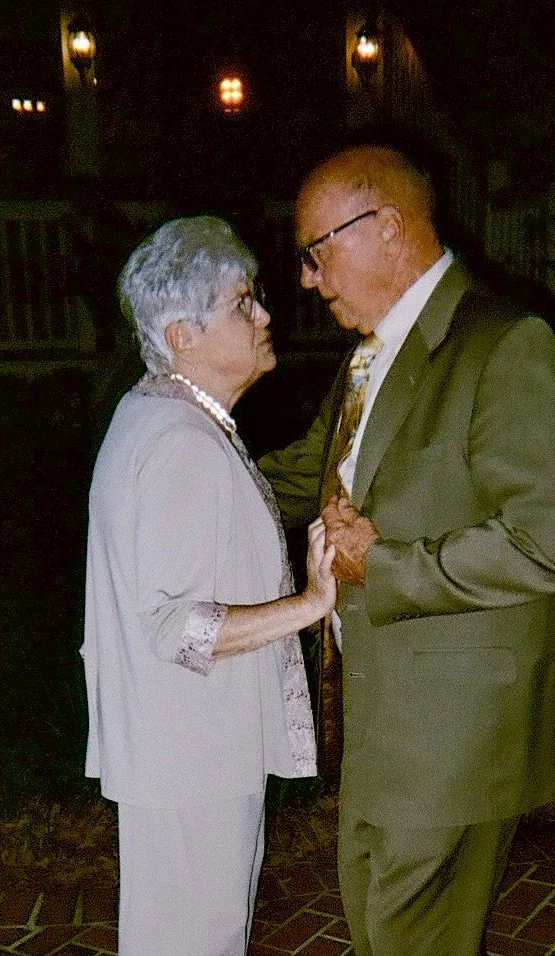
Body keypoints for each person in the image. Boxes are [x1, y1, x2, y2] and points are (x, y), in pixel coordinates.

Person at [258, 146, 555, 956]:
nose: (306, 278)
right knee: (378, 924)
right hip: (379, 714)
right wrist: (186, 467)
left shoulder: (505, 345)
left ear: (386, 226)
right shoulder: (372, 354)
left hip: (456, 726)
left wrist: (388, 565)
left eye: (315, 251)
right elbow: (308, 471)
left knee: (405, 934)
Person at [81, 216, 336, 956]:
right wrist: (310, 605)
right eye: (242, 303)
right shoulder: (179, 443)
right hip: (193, 757)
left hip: (177, 754)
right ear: (183, 336)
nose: (264, 316)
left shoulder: (159, 416)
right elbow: (175, 625)